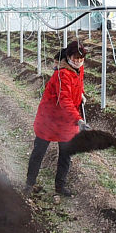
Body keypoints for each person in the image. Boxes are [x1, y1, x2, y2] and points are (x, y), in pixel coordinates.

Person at [24, 40, 87, 197]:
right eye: (75, 58)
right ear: (69, 57)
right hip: (50, 119)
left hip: (67, 121)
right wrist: (78, 119)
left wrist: (81, 94)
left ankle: (60, 187)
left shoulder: (79, 69)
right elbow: (64, 100)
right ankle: (29, 184)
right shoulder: (62, 74)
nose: (78, 61)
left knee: (66, 154)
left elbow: (78, 85)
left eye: (81, 58)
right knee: (39, 151)